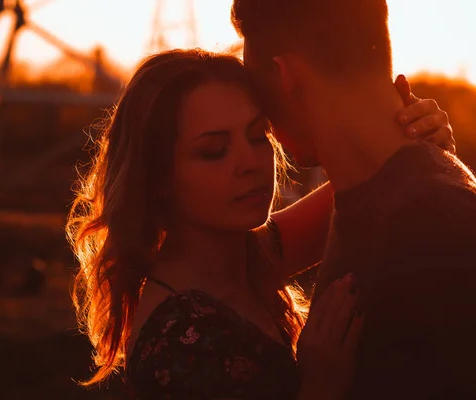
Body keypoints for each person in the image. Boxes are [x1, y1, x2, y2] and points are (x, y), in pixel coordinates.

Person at [67, 49, 454, 399]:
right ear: (159, 179)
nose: (250, 162)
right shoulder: (178, 345)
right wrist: (321, 388)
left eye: (257, 136)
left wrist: (413, 137)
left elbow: (367, 178)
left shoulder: (247, 255)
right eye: (214, 151)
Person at [231, 0, 476, 398]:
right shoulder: (378, 198)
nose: (266, 126)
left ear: (285, 75)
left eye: (258, 99)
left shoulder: (440, 227)